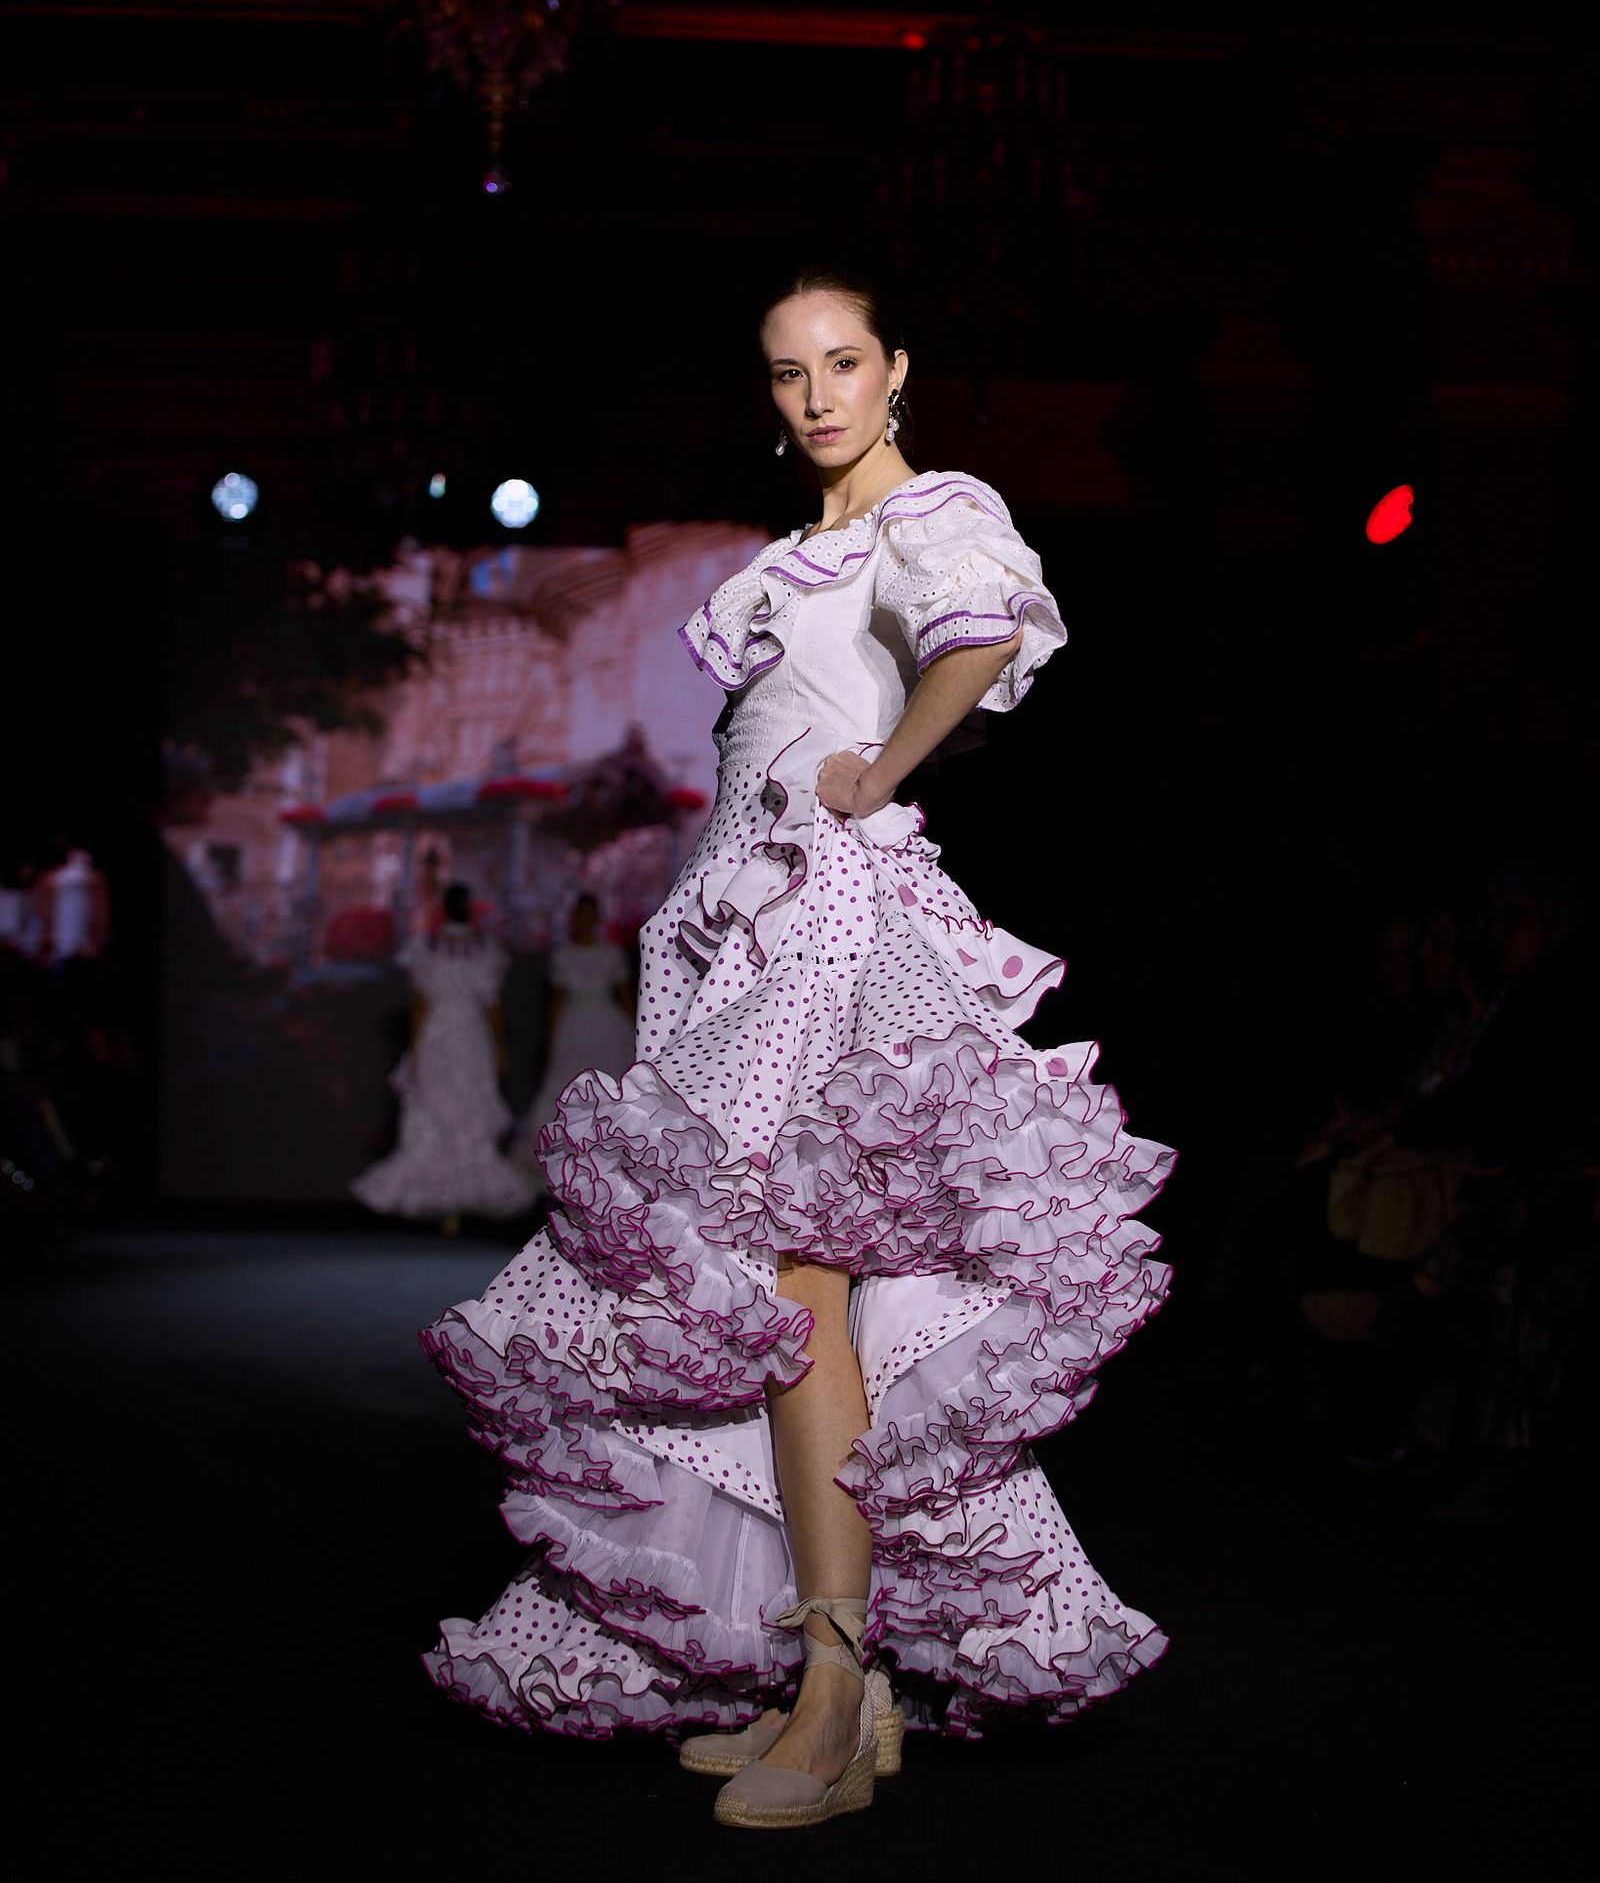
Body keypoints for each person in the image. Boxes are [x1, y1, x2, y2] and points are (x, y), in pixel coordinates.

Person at [420, 266, 1177, 1829]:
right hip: (736, 931)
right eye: (787, 372)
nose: (818, 394)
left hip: (828, 922)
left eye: (843, 362)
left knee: (794, 1288)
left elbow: (981, 641)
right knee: (772, 1309)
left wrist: (886, 770)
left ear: (897, 368)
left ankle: (833, 1694)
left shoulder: (927, 514)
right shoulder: (803, 555)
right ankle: (842, 1685)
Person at [351, 883, 532, 1224]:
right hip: (465, 1036)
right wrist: (500, 1048)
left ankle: (454, 1204)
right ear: (467, 909)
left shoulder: (443, 947)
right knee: (455, 1106)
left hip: (445, 1036)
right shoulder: (467, 948)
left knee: (455, 1105)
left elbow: (423, 1005)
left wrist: (417, 1049)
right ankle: (449, 1205)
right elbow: (490, 1007)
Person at [510, 894, 635, 1192]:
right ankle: (564, 1162)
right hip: (574, 1026)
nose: (586, 920)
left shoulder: (611, 953)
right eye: (581, 914)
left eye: (591, 914)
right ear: (574, 917)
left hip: (608, 1027)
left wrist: (640, 1036)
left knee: (610, 1089)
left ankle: (611, 1161)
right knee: (567, 1086)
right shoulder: (563, 955)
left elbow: (625, 998)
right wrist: (552, 1042)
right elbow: (555, 1003)